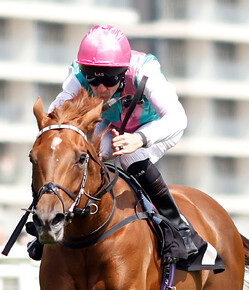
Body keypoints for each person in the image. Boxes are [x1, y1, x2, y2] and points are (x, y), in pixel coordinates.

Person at [30, 24, 195, 262]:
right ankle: (46, 220)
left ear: (123, 71)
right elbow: (58, 112)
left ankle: (178, 229)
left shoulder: (145, 71)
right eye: (93, 81)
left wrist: (139, 139)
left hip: (154, 129)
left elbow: (178, 118)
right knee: (70, 152)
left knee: (128, 155)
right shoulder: (77, 75)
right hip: (110, 128)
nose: (100, 88)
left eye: (109, 80)